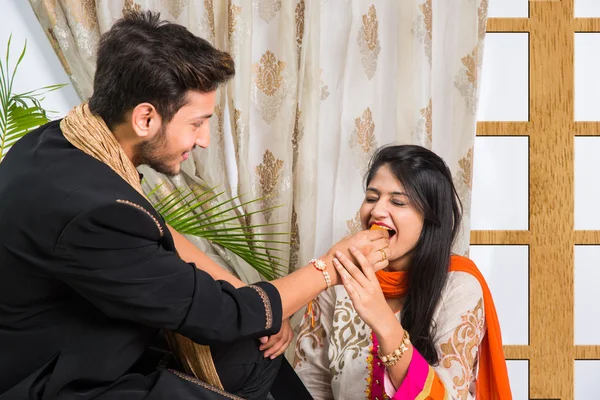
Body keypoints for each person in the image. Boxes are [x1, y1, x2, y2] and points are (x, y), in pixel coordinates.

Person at [0, 11, 392, 400]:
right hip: (53, 377)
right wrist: (330, 267)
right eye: (196, 123)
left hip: (76, 330)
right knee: (251, 348)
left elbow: (153, 232)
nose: (203, 139)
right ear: (145, 118)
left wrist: (248, 294)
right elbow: (222, 316)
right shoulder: (93, 209)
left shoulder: (60, 141)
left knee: (254, 352)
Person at [294, 145, 512, 399]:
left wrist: (383, 320)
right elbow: (310, 388)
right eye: (372, 198)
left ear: (429, 219)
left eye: (397, 202)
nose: (376, 211)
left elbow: (451, 396)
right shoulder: (339, 281)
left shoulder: (459, 285)